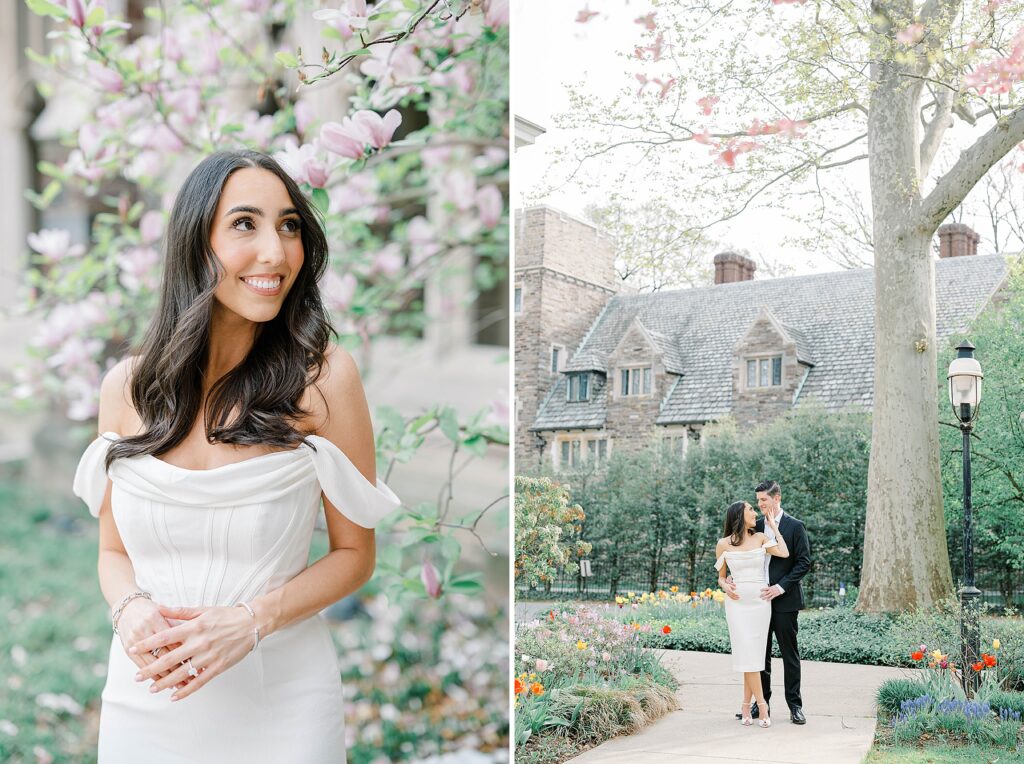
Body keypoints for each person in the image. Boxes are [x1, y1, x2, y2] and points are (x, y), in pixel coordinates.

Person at [71, 150, 401, 762]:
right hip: (147, 695)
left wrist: (248, 620)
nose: (276, 252)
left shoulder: (325, 381)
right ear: (196, 244)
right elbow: (113, 552)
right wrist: (131, 608)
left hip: (281, 699)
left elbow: (355, 555)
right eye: (245, 224)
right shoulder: (126, 388)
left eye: (290, 225)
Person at [726, 479, 812, 725]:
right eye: (758, 501)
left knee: (789, 654)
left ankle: (795, 706)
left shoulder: (795, 526)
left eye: (764, 500)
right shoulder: (755, 526)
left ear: (777, 499)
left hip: (785, 602)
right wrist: (733, 575)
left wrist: (780, 587)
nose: (760, 505)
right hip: (755, 603)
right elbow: (741, 554)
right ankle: (760, 704)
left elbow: (803, 563)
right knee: (758, 656)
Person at [714, 500, 789, 728]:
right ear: (739, 515)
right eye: (750, 509)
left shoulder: (760, 538)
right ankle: (762, 704)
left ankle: (746, 704)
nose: (754, 512)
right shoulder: (723, 544)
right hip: (737, 605)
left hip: (759, 603)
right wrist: (725, 586)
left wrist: (773, 528)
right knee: (747, 652)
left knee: (753, 655)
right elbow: (720, 576)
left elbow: (784, 553)